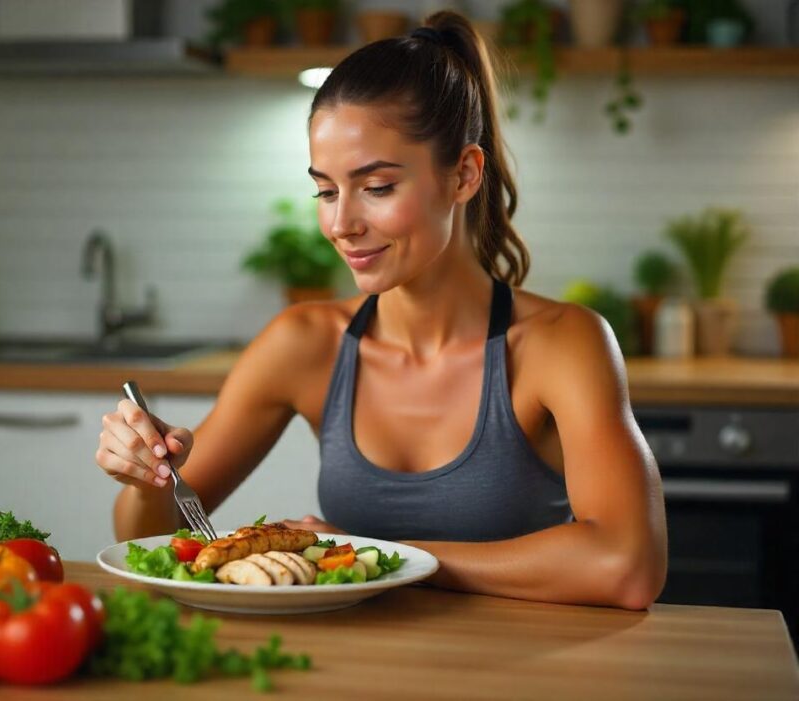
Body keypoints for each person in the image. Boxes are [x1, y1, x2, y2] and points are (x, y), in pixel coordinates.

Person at [95, 11, 667, 610]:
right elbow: (146, 540)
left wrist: (380, 553)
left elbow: (627, 566)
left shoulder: (562, 344)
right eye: (325, 190)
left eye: (377, 187)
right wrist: (145, 478)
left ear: (465, 175)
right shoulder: (305, 343)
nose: (342, 224)